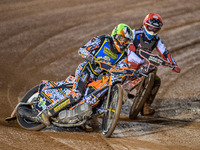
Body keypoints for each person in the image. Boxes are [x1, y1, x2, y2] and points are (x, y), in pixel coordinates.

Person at [18, 23, 133, 126]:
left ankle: (82, 119)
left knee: (96, 101)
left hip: (98, 79)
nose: (123, 43)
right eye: (121, 38)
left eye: (126, 41)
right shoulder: (103, 40)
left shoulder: (123, 55)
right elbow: (82, 50)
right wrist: (91, 57)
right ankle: (47, 113)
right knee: (76, 95)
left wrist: (129, 73)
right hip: (86, 70)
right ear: (114, 35)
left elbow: (123, 68)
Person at [127, 13, 181, 115]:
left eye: (155, 29)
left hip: (141, 67)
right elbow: (124, 42)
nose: (152, 31)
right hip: (126, 64)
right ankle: (101, 101)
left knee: (156, 81)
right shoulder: (135, 33)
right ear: (145, 24)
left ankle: (146, 107)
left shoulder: (157, 40)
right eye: (150, 27)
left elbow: (165, 52)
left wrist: (174, 64)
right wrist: (132, 47)